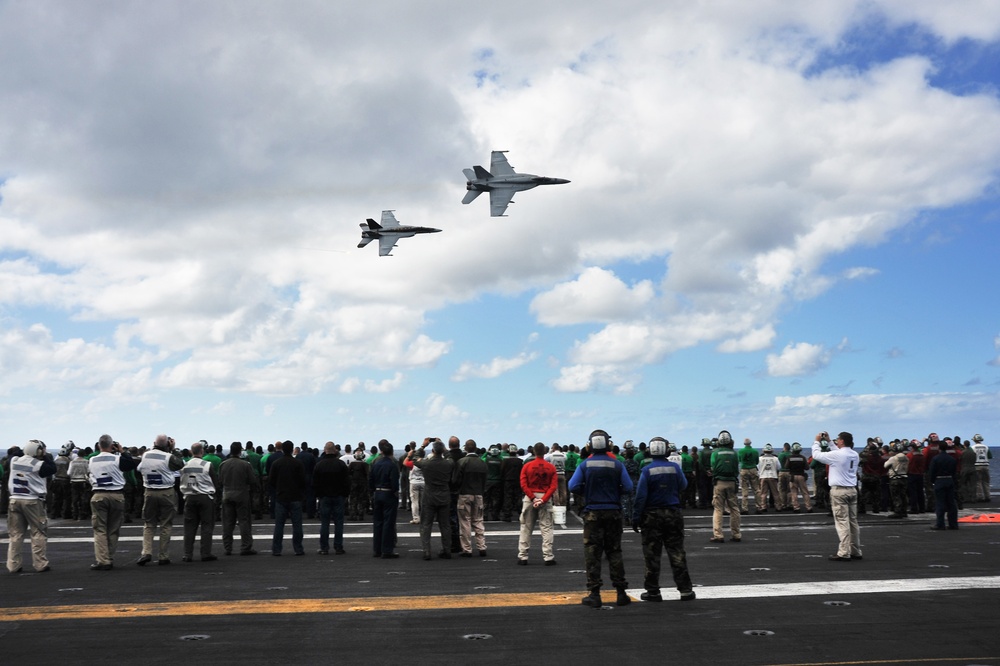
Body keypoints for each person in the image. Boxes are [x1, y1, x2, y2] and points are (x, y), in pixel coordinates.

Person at [568, 429, 634, 608]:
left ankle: (594, 594)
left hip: (592, 513)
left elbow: (573, 485)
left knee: (592, 554)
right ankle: (621, 593)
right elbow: (628, 487)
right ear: (609, 445)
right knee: (614, 552)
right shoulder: (616, 464)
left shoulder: (585, 465)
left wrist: (587, 491)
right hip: (613, 512)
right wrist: (614, 492)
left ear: (589, 446)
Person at [631, 436, 695, 602]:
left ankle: (653, 591)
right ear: (667, 450)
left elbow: (640, 496)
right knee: (677, 552)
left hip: (652, 516)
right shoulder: (674, 468)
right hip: (673, 513)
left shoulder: (647, 470)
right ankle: (686, 590)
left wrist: (636, 517)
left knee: (652, 555)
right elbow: (683, 485)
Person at [89, 435, 138, 570]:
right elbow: (130, 465)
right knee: (113, 529)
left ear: (99, 446)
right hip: (116, 495)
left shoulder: (92, 460)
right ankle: (108, 557)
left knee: (100, 529)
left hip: (98, 494)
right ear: (112, 446)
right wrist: (122, 451)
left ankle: (102, 559)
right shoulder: (118, 459)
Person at [6, 440, 56, 573]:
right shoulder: (38, 464)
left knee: (15, 534)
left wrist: (23, 449)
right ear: (38, 451)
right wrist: (44, 455)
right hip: (33, 501)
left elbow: (12, 454)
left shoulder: (14, 461)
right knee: (38, 532)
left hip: (14, 500)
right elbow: (52, 468)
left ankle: (13, 565)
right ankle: (40, 564)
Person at [810, 432, 861, 561]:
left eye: (838, 439)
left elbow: (816, 455)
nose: (836, 440)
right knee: (853, 522)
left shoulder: (837, 454)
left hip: (839, 491)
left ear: (842, 441)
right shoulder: (854, 454)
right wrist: (830, 443)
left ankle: (844, 552)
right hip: (852, 490)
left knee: (842, 522)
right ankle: (855, 550)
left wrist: (817, 442)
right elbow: (838, 453)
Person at [136, 434, 184, 565]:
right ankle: (163, 555)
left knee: (149, 524)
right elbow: (180, 464)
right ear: (168, 444)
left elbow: (139, 469)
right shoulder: (168, 457)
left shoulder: (145, 455)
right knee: (166, 524)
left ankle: (146, 552)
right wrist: (174, 449)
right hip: (166, 492)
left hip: (149, 492)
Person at [517, 442, 558, 566]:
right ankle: (548, 556)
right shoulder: (551, 467)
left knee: (526, 527)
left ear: (534, 451)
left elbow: (523, 483)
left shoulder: (527, 466)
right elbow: (553, 486)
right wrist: (544, 499)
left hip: (530, 498)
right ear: (545, 452)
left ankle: (523, 556)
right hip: (544, 496)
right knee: (546, 528)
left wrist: (532, 498)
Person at [414, 438, 452, 560]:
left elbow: (414, 459)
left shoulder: (426, 463)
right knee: (445, 525)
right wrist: (443, 447)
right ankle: (447, 550)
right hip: (444, 496)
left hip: (429, 496)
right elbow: (450, 456)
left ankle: (426, 551)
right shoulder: (449, 463)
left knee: (426, 524)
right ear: (442, 451)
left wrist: (422, 446)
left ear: (433, 450)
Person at [180, 441, 218, 562]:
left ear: (191, 452)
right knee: (207, 526)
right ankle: (205, 553)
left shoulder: (185, 465)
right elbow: (215, 482)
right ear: (202, 451)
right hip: (205, 497)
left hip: (189, 497)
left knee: (189, 527)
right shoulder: (207, 465)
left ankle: (187, 554)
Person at [220, 442, 258, 556]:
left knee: (227, 523)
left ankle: (228, 547)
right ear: (240, 451)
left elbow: (220, 480)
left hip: (227, 495)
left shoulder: (223, 464)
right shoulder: (245, 464)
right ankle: (245, 547)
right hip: (242, 495)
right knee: (244, 522)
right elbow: (252, 480)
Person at [269, 440, 307, 556]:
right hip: (295, 497)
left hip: (281, 496)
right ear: (292, 450)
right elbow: (302, 481)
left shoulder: (276, 463)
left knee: (279, 525)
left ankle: (276, 549)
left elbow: (272, 480)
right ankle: (298, 548)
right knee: (297, 525)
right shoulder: (298, 463)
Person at [314, 441, 351, 555]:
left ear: (325, 450)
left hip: (325, 497)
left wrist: (319, 495)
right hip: (338, 496)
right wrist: (345, 494)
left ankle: (324, 547)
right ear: (335, 451)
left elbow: (315, 483)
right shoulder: (340, 464)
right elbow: (347, 481)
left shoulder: (319, 465)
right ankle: (338, 547)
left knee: (324, 523)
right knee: (339, 523)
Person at [453, 439, 488, 557]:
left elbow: (456, 480)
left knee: (465, 522)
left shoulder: (462, 462)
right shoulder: (482, 463)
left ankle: (467, 549)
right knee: (478, 521)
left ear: (466, 448)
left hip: (465, 494)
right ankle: (482, 546)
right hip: (479, 494)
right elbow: (485, 481)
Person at [370, 439, 401, 558]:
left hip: (377, 493)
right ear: (392, 452)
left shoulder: (375, 463)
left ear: (381, 451)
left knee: (378, 522)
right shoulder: (392, 465)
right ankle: (387, 550)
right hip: (388, 494)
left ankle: (377, 549)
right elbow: (394, 483)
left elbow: (371, 479)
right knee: (388, 523)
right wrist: (395, 492)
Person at [709, 430, 741, 542]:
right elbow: (736, 468)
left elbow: (713, 467)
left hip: (719, 482)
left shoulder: (715, 453)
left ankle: (718, 535)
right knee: (734, 509)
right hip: (732, 482)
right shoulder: (734, 453)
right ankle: (736, 534)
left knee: (718, 509)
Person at [928, 439, 959, 530]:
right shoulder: (952, 459)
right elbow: (954, 472)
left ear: (939, 448)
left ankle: (940, 524)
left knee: (940, 503)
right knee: (951, 503)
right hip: (949, 480)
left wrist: (933, 481)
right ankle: (953, 524)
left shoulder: (935, 459)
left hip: (939, 481)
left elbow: (932, 472)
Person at [884, 441, 909, 519]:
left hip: (895, 479)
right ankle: (904, 511)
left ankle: (897, 512)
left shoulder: (893, 458)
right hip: (904, 478)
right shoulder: (906, 457)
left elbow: (885, 465)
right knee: (903, 495)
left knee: (896, 496)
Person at [786, 442, 812, 513]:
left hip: (793, 476)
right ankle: (808, 507)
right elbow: (807, 468)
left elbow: (786, 467)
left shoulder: (789, 458)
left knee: (794, 492)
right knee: (805, 492)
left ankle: (796, 507)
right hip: (801, 476)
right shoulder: (803, 458)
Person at [499, 445, 523, 521]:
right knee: (518, 497)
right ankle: (521, 513)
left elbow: (502, 471)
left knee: (508, 497)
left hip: (508, 481)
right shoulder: (520, 461)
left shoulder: (505, 461)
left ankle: (507, 515)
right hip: (517, 481)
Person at [737, 438, 760, 514]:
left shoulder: (740, 451)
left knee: (744, 489)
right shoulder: (755, 451)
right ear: (751, 443)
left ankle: (745, 508)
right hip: (753, 469)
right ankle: (759, 507)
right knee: (756, 489)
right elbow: (757, 461)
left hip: (744, 469)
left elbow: (740, 460)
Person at [756, 443, 781, 512]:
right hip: (773, 476)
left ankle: (763, 506)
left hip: (763, 476)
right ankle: (778, 506)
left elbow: (757, 467)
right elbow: (779, 467)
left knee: (763, 493)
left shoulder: (760, 459)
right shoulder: (775, 459)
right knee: (775, 493)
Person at [404, 447, 425, 524]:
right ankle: (424, 518)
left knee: (414, 501)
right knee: (423, 501)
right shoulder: (425, 462)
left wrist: (409, 455)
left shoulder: (413, 463)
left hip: (414, 482)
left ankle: (416, 518)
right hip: (423, 482)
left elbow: (404, 463)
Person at [348, 450, 370, 521]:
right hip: (362, 483)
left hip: (354, 483)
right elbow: (368, 474)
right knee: (362, 499)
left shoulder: (352, 464)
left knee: (353, 499)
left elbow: (348, 474)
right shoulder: (365, 464)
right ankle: (360, 514)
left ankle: (352, 515)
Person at [970, 434, 992, 502]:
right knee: (986, 481)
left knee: (978, 481)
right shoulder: (986, 447)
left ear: (974, 440)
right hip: (986, 465)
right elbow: (990, 456)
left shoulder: (972, 447)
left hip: (977, 465)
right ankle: (987, 496)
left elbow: (971, 457)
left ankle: (980, 496)